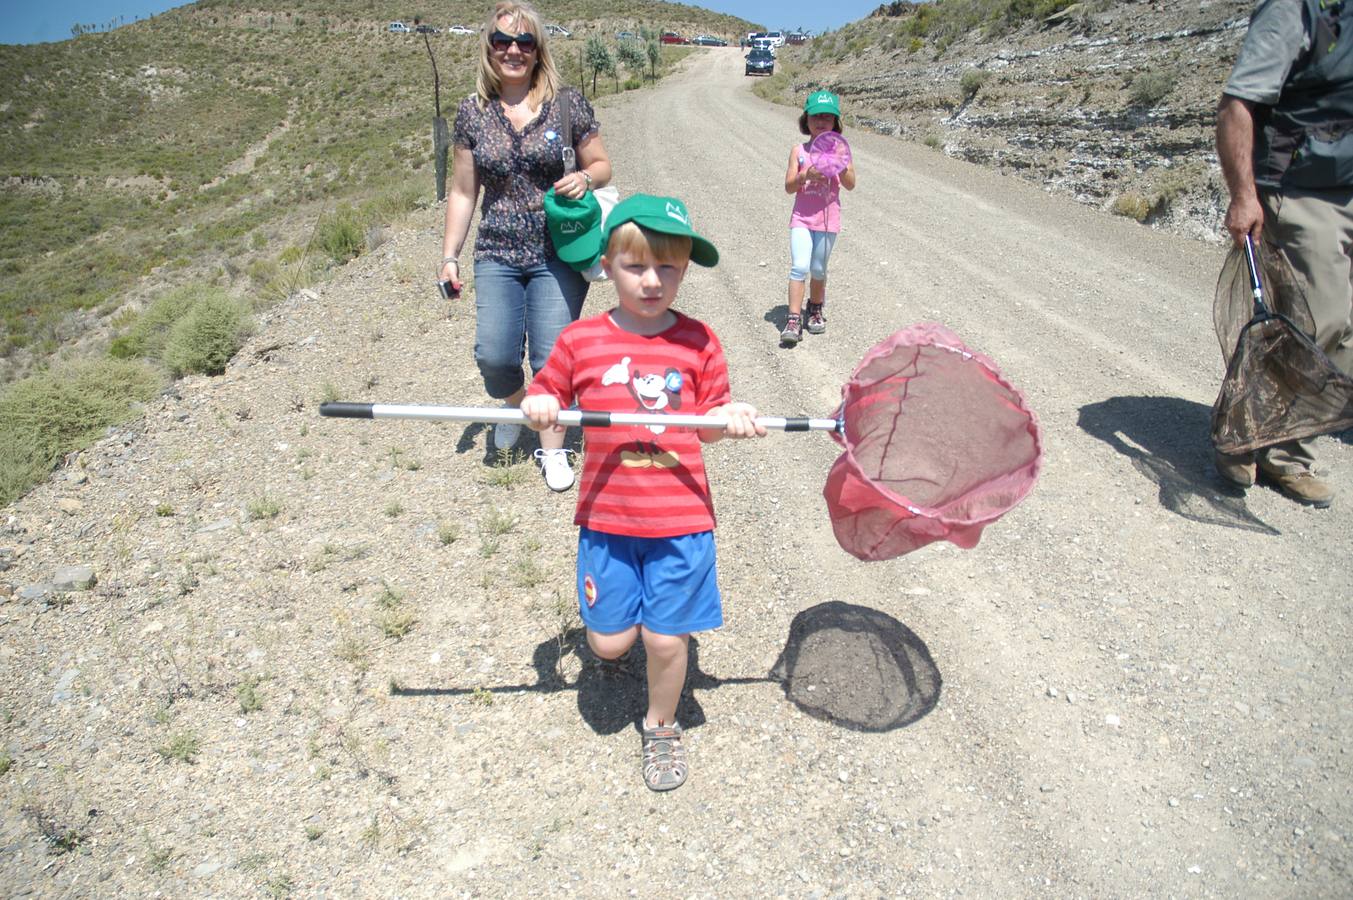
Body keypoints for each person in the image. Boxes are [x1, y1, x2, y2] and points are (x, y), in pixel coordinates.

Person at [520, 194, 767, 791]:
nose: (653, 281)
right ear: (606, 264)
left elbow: (708, 419)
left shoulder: (699, 342)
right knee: (608, 644)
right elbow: (549, 392)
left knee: (664, 636)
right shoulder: (581, 339)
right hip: (608, 516)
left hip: (680, 519)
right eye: (636, 266)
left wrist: (728, 418)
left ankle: (661, 722)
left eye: (670, 268)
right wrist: (542, 406)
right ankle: (616, 636)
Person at [440, 1, 612, 492]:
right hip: (496, 250)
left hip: (556, 251)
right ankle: (518, 404)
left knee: (550, 359)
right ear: (489, 48)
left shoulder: (567, 103)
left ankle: (552, 447)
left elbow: (602, 164)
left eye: (524, 42)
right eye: (502, 41)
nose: (513, 50)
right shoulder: (472, 111)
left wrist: (582, 176)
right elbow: (463, 190)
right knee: (493, 356)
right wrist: (449, 255)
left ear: (538, 50)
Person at [1215, 0, 1353, 508]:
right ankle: (1256, 440)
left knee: (1339, 334)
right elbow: (1238, 103)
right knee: (1316, 323)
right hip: (1300, 187)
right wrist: (1244, 196)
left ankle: (1284, 443)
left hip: (1346, 185)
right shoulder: (1297, 9)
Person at [780, 90, 857, 346]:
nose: (821, 122)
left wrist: (840, 163)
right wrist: (805, 176)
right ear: (806, 120)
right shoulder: (799, 150)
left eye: (828, 117)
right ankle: (793, 319)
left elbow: (850, 184)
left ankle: (814, 309)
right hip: (802, 218)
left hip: (827, 220)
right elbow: (789, 186)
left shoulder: (841, 150)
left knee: (818, 268)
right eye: (816, 117)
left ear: (836, 122)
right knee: (799, 266)